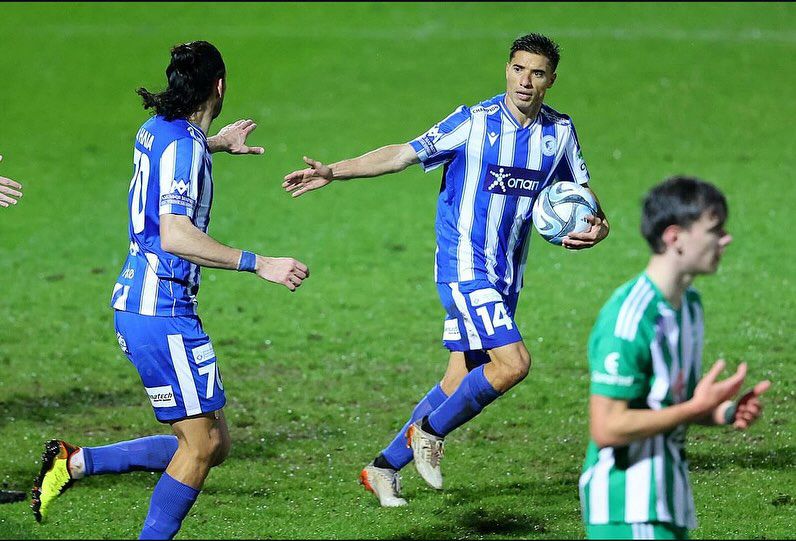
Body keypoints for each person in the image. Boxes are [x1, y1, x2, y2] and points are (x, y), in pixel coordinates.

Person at [283, 33, 610, 507]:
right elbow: (401, 153)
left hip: (506, 275)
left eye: (537, 73)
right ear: (507, 69)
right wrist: (335, 170)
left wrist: (601, 226)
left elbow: (582, 192)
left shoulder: (559, 132)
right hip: (462, 267)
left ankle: (382, 468)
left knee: (459, 379)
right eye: (518, 68)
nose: (525, 80)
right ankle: (429, 433)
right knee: (513, 364)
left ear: (551, 80)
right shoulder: (473, 122)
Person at [31, 41, 309, 539]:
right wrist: (260, 263)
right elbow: (177, 235)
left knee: (213, 444)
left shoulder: (157, 128)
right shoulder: (184, 146)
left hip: (139, 303)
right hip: (162, 311)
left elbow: (175, 153)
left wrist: (216, 142)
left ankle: (74, 462)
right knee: (200, 447)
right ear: (219, 86)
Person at [578, 176, 771, 540]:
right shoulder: (630, 317)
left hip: (668, 501)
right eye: (715, 230)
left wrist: (723, 411)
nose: (726, 239)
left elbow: (671, 402)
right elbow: (607, 427)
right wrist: (696, 407)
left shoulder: (690, 307)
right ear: (674, 238)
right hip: (626, 507)